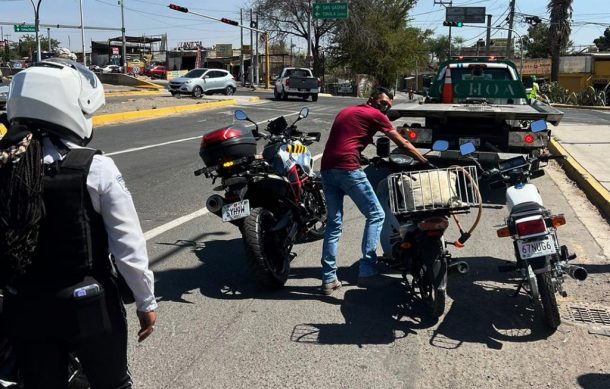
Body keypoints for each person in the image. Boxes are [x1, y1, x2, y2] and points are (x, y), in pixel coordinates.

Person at [0, 58, 157, 388]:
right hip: (87, 307)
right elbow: (128, 247)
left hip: (22, 305)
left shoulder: (5, 166)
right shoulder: (95, 168)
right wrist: (146, 301)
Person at [319, 86, 432, 295]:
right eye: (383, 102)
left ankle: (328, 279)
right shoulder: (375, 115)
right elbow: (403, 142)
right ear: (371, 100)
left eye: (388, 105)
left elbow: (345, 140)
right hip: (348, 169)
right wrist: (425, 162)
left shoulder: (347, 112)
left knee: (333, 224)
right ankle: (368, 272)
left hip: (327, 169)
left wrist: (359, 154)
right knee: (376, 214)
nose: (385, 107)